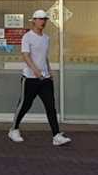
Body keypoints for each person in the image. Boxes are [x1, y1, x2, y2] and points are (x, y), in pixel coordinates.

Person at [9, 10, 71, 146]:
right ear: (34, 21)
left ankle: (56, 135)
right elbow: (25, 55)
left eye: (45, 19)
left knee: (50, 106)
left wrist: (49, 70)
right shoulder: (27, 37)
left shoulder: (46, 38)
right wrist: (35, 70)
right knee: (25, 105)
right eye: (40, 19)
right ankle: (13, 129)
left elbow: (44, 56)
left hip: (45, 79)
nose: (43, 22)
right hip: (30, 78)